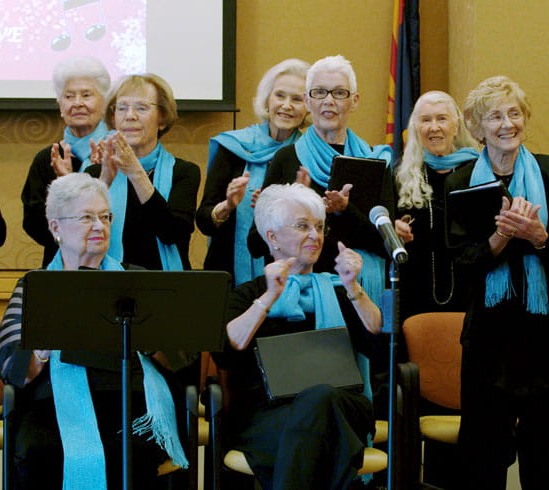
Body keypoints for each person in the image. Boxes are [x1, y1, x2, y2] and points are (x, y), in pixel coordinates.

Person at [0, 172, 188, 489]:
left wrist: (148, 335)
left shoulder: (137, 279)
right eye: (86, 217)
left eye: (105, 217)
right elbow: (12, 368)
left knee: (133, 452)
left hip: (132, 403)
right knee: (41, 451)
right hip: (51, 405)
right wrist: (42, 347)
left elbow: (179, 359)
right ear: (56, 227)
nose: (99, 226)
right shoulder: (34, 286)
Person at [446, 76, 549, 489]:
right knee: (484, 461)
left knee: (542, 462)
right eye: (495, 116)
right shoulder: (458, 182)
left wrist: (537, 235)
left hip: (547, 339)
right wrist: (502, 236)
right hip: (490, 341)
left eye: (515, 113)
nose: (508, 124)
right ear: (477, 128)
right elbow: (461, 265)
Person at [218, 183, 382, 490]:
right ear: (272, 237)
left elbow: (379, 346)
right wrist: (269, 298)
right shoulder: (249, 295)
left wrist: (353, 288)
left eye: (319, 227)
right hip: (269, 415)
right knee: (315, 438)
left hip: (342, 407)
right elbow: (228, 349)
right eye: (302, 226)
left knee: (319, 398)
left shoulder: (340, 289)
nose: (315, 236)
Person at [253, 55, 394, 302]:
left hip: (359, 293)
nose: (328, 101)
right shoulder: (286, 158)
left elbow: (387, 243)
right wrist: (292, 205)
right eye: (319, 92)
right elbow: (255, 243)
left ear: (355, 101)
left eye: (339, 93)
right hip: (298, 297)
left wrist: (345, 210)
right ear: (308, 101)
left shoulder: (375, 160)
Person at [196, 59, 309, 285]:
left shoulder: (308, 155)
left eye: (297, 99)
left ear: (308, 108)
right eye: (280, 96)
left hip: (287, 279)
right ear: (267, 100)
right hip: (226, 275)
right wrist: (227, 206)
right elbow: (204, 222)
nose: (287, 105)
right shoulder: (233, 147)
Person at [85, 73, 200, 270]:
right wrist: (104, 181)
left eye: (141, 108)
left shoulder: (184, 172)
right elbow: (80, 232)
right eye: (122, 108)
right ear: (113, 118)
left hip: (165, 286)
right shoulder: (95, 173)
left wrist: (135, 173)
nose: (130, 116)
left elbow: (172, 233)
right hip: (104, 283)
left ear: (162, 118)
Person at [393, 90, 480, 322]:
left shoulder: (478, 172)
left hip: (470, 289)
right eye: (425, 120)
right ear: (415, 128)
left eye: (441, 118)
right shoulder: (400, 177)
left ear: (456, 124)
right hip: (414, 292)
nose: (434, 127)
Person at [21, 56, 111, 266]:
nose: (77, 103)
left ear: (104, 103)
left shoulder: (118, 153)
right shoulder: (48, 158)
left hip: (118, 267)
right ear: (60, 105)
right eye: (69, 96)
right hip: (62, 267)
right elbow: (33, 224)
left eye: (87, 95)